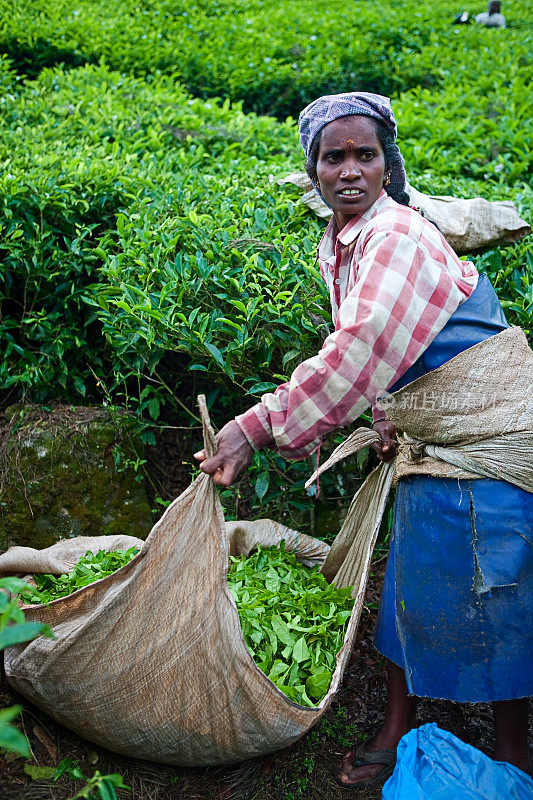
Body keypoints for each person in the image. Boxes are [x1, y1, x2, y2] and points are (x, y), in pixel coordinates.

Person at [194, 92, 532, 790]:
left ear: (386, 164)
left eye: (364, 155)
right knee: (407, 584)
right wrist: (385, 419)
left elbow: (364, 342)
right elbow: (392, 351)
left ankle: (512, 748)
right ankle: (397, 723)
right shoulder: (344, 240)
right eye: (332, 156)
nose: (348, 170)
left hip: (487, 440)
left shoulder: (394, 235)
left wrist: (254, 427)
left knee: (499, 589)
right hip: (429, 439)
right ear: (312, 168)